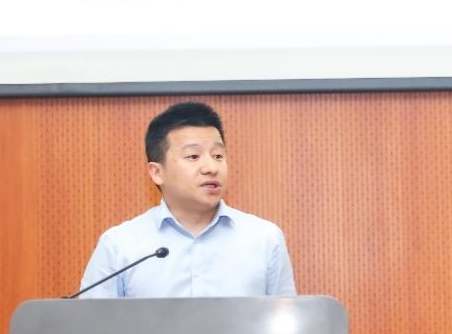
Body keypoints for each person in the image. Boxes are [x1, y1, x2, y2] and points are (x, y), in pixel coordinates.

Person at [78, 101, 296, 298]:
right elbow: (91, 326)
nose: (211, 168)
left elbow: (288, 324)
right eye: (193, 156)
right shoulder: (120, 245)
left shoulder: (265, 239)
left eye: (218, 156)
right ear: (157, 172)